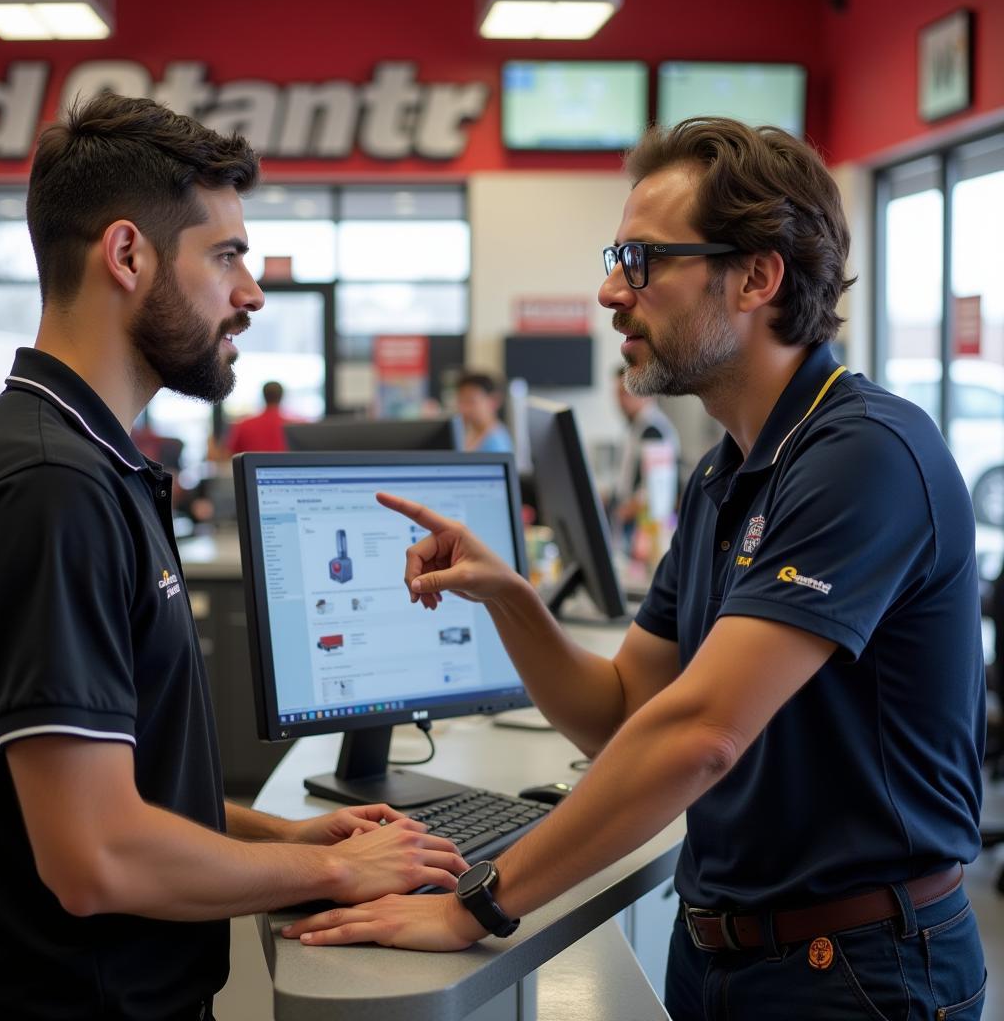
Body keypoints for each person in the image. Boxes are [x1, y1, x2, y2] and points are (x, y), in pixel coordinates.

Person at [282, 118, 987, 1021]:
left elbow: (701, 733)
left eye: (644, 260)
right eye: (617, 256)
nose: (612, 291)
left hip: (854, 968)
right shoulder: (722, 475)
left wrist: (481, 901)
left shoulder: (865, 455)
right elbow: (623, 714)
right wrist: (512, 599)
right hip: (726, 947)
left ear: (758, 277)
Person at [0, 93, 466, 1020]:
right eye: (228, 255)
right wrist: (325, 867)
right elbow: (95, 857)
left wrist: (279, 835)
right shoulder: (55, 487)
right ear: (128, 255)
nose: (251, 293)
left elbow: (129, 787)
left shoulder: (93, 461)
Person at [609, 363, 681, 549]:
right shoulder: (638, 427)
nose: (620, 401)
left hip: (645, 531)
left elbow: (654, 489)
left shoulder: (653, 430)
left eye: (625, 393)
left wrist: (623, 512)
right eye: (617, 394)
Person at [226, 379, 297, 453]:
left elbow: (230, 454)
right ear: (281, 396)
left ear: (264, 396)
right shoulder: (295, 426)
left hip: (252, 464)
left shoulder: (244, 425)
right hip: (286, 464)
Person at [455, 370, 513, 452]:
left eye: (470, 401)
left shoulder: (497, 441)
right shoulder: (470, 434)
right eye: (461, 401)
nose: (463, 408)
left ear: (494, 401)